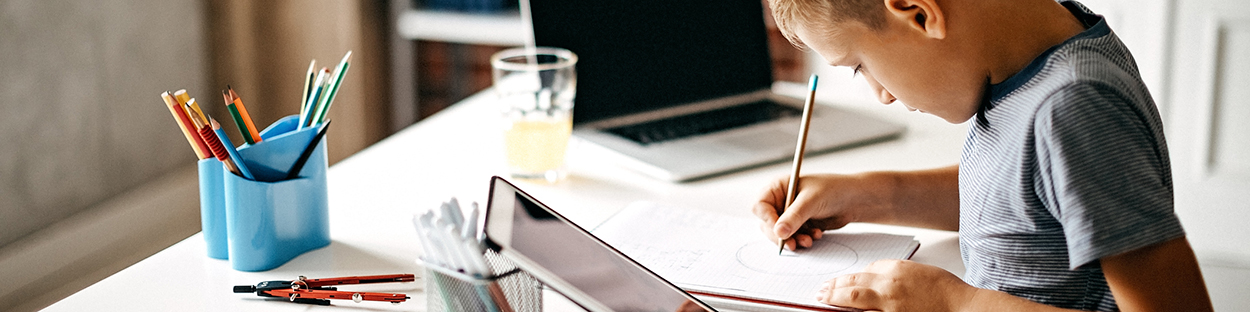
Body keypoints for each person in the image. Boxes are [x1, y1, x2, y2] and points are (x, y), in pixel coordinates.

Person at [751, 0, 1214, 311]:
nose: (881, 95)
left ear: (918, 11)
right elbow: (1023, 198)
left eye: (858, 66)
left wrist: (957, 303)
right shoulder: (1027, 57)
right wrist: (869, 195)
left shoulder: (1075, 107)